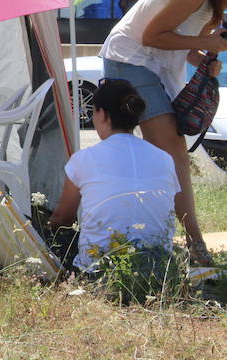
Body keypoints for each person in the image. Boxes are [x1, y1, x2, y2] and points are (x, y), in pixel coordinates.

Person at [99, 0, 227, 265]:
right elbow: (150, 36)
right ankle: (194, 246)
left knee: (169, 152)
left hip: (150, 66)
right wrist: (204, 41)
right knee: (172, 149)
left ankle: (167, 239)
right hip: (130, 59)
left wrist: (205, 59)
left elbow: (180, 42)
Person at [49, 79, 181, 272]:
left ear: (102, 114)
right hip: (158, 270)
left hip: (100, 271)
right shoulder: (165, 159)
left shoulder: (84, 159)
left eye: (93, 112)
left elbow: (62, 219)